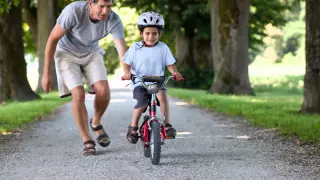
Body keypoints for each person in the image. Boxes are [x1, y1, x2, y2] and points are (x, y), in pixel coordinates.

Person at [41, 0, 127, 156]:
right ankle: (87, 140)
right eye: (101, 6)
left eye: (109, 7)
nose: (105, 11)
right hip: (66, 53)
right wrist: (46, 72)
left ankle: (95, 122)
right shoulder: (73, 11)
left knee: (104, 90)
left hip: (91, 53)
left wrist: (127, 70)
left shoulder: (114, 19)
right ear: (90, 4)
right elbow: (52, 39)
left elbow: (121, 46)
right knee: (78, 94)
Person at [122, 11, 183, 144]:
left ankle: (167, 125)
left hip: (157, 81)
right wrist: (127, 72)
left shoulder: (163, 48)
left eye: (154, 33)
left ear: (159, 34)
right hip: (140, 82)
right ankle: (133, 126)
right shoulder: (135, 48)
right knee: (142, 102)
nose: (151, 36)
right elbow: (126, 63)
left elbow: (170, 65)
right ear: (141, 33)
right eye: (147, 33)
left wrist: (175, 73)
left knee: (162, 95)